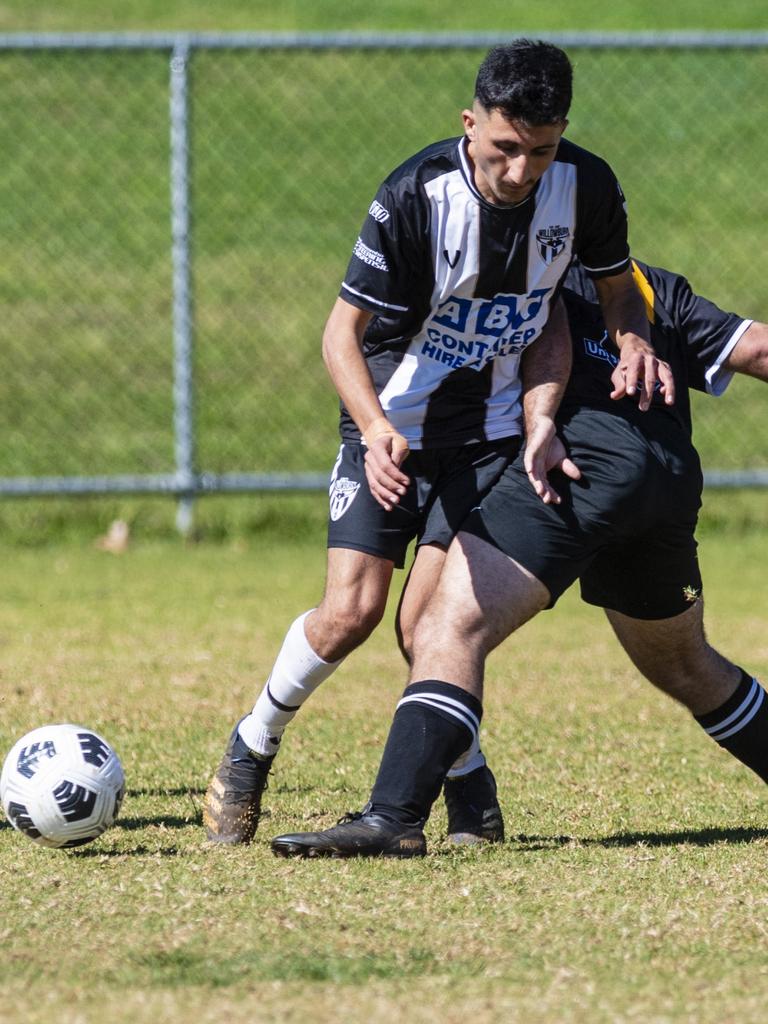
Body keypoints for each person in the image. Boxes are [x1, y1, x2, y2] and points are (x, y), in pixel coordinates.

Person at [203, 40, 671, 846]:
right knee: (351, 612)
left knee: (430, 628)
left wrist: (573, 390)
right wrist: (380, 430)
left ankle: (471, 802)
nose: (522, 171)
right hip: (390, 420)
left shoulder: (585, 186)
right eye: (505, 148)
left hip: (489, 436)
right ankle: (253, 744)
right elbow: (339, 336)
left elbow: (573, 307)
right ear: (471, 122)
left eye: (542, 149)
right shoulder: (415, 196)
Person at [269, 258, 768, 858]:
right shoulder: (649, 285)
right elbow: (757, 349)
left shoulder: (515, 273)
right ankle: (451, 803)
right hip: (665, 480)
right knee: (684, 663)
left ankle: (393, 818)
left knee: (446, 625)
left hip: (576, 466)